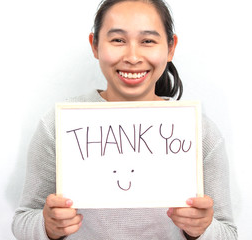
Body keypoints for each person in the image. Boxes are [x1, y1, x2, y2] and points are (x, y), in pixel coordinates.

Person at [12, 0, 237, 239]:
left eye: (148, 41)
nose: (132, 56)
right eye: (118, 40)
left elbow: (228, 233)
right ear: (95, 45)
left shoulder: (198, 132)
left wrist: (202, 229)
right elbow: (23, 220)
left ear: (171, 48)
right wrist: (48, 226)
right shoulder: (58, 125)